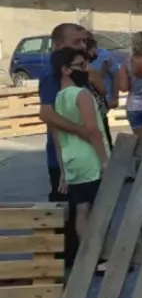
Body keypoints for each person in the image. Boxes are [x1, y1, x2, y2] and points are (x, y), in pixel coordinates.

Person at [50, 47, 111, 272]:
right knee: (99, 210)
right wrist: (104, 160)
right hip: (90, 158)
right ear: (65, 69)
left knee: (82, 210)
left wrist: (63, 171)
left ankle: (90, 258)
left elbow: (57, 137)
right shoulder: (81, 94)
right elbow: (92, 129)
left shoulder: (58, 98)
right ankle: (101, 257)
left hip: (73, 161)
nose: (86, 69)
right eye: (81, 65)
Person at [38, 23, 90, 269]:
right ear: (59, 46)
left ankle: (81, 257)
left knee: (84, 207)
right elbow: (47, 114)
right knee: (68, 209)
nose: (83, 46)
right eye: (77, 41)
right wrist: (83, 132)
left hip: (82, 155)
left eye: (84, 41)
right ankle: (67, 262)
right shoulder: (53, 76)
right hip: (64, 156)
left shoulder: (80, 71)